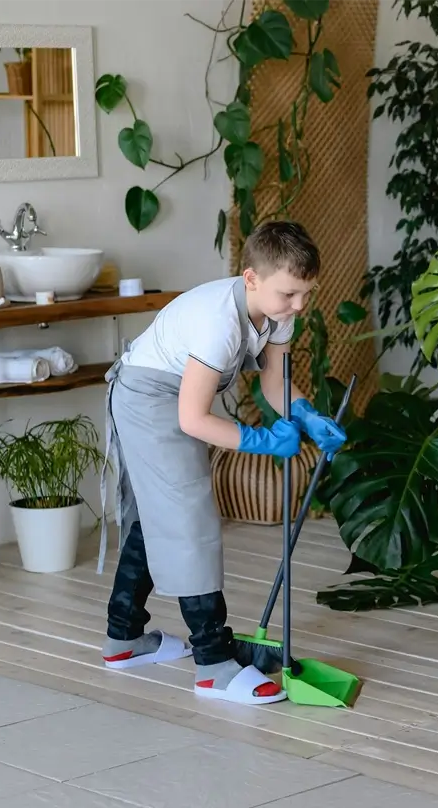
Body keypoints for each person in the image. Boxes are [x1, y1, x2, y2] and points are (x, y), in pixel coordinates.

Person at [95, 220, 347, 705]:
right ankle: (213, 665)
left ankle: (123, 638)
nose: (299, 306)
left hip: (173, 397)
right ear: (251, 278)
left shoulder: (277, 312)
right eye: (289, 294)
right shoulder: (218, 323)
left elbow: (274, 384)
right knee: (189, 517)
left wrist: (308, 416)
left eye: (305, 294)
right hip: (147, 397)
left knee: (161, 515)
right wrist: (257, 439)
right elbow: (192, 418)